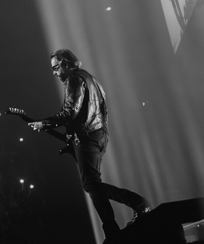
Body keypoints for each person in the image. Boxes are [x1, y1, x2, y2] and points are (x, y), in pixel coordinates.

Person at [28, 49, 151, 241]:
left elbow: (70, 113)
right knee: (93, 185)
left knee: (91, 184)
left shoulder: (73, 80)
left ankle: (136, 203)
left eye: (56, 67)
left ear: (66, 63)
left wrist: (44, 123)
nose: (54, 72)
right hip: (99, 136)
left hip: (88, 138)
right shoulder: (92, 80)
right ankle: (112, 231)